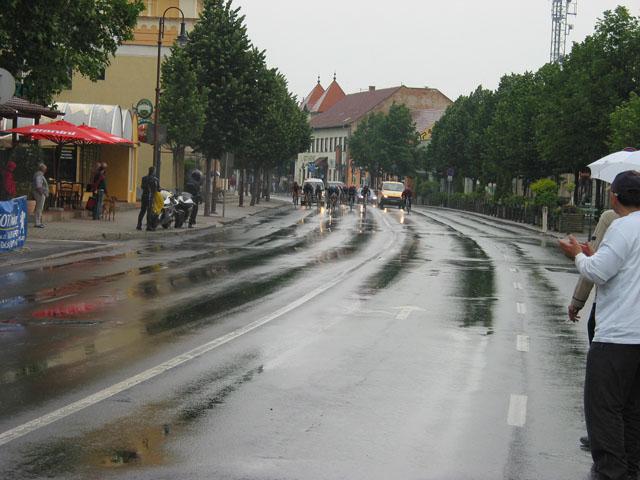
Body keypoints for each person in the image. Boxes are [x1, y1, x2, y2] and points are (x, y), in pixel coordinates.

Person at [559, 171, 640, 480]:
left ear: (615, 196)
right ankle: (631, 469)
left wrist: (578, 256)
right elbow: (623, 268)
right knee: (632, 411)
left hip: (617, 337)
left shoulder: (622, 227)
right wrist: (594, 256)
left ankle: (611, 472)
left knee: (604, 410)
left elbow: (598, 273)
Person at [567, 209, 619, 450]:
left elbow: (594, 267)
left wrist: (577, 302)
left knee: (602, 382)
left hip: (608, 314)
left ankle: (600, 435)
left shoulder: (611, 219)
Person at [137, 166, 160, 230]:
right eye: (154, 171)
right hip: (150, 197)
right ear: (153, 172)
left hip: (144, 196)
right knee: (149, 211)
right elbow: (158, 188)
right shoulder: (155, 179)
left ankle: (139, 225)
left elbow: (142, 186)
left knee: (142, 211)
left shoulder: (144, 178)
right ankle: (148, 226)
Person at [32, 163, 48, 228]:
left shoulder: (39, 174)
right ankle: (37, 223)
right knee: (39, 208)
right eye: (45, 169)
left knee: (39, 208)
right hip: (39, 193)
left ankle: (38, 222)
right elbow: (39, 185)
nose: (46, 170)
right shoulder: (39, 175)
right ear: (42, 169)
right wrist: (42, 193)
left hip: (39, 193)